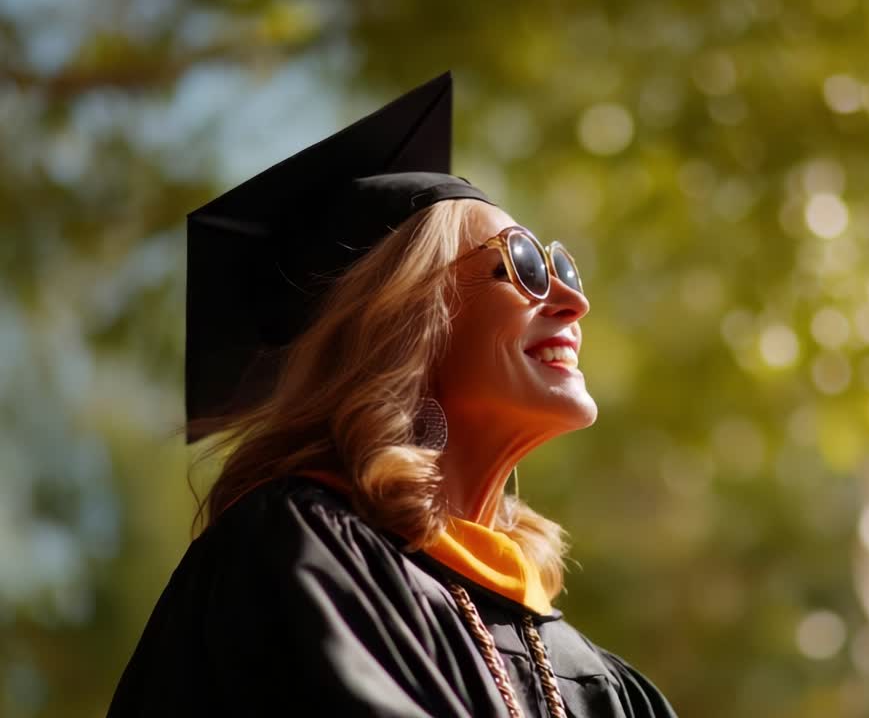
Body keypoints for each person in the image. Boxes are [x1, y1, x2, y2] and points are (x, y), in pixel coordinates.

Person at [107, 72, 677, 718]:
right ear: (409, 322)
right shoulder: (299, 562)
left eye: (562, 267)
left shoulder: (600, 680)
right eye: (524, 264)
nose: (575, 300)